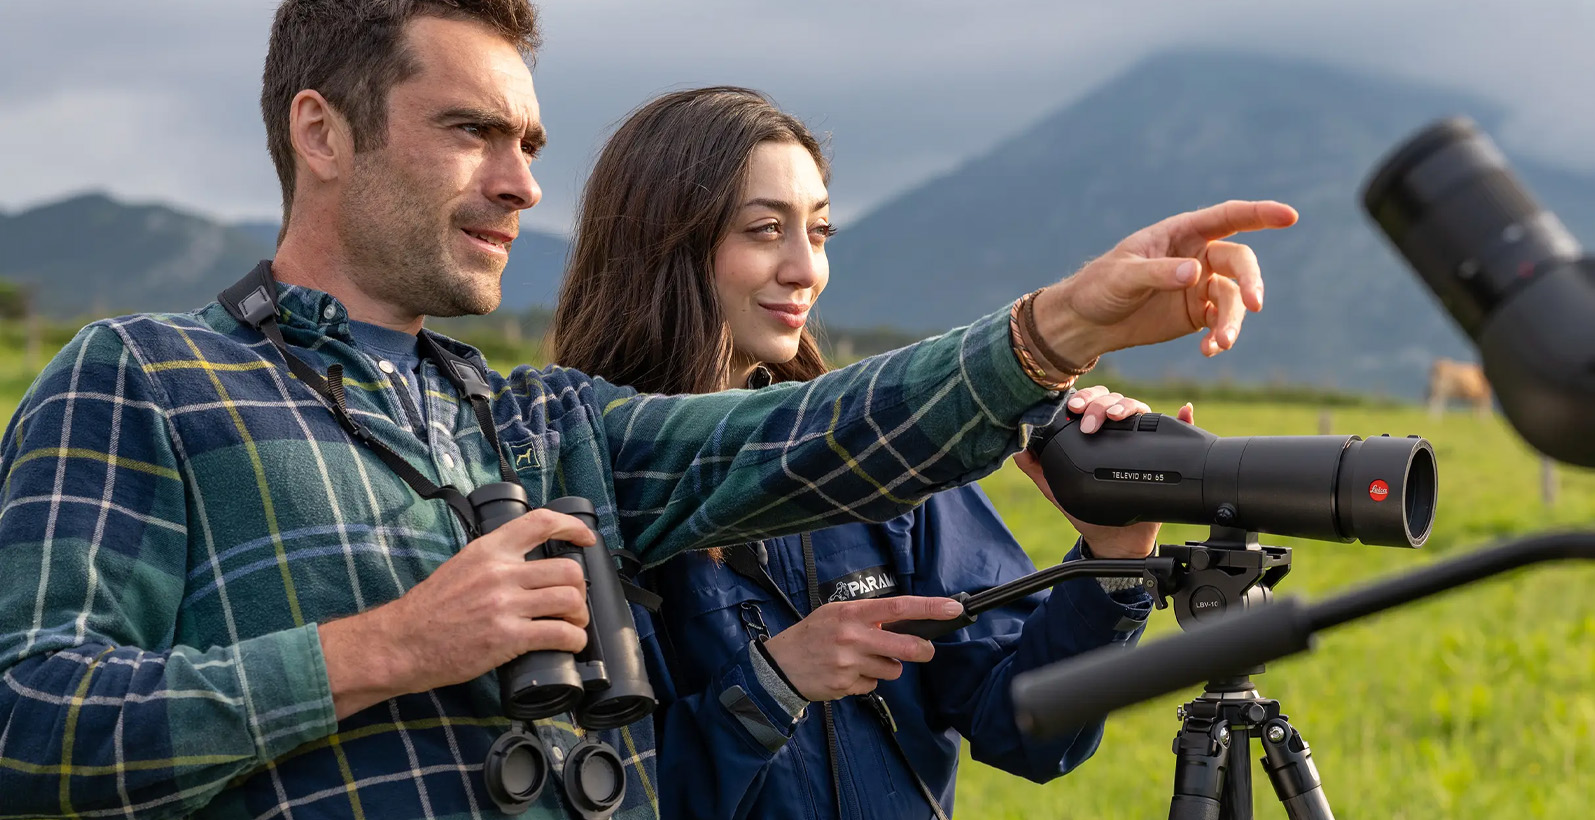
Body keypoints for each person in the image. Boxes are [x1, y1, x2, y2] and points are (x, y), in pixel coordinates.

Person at [0, 1, 1297, 818]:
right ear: (322, 131)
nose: (520, 186)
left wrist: (1054, 332)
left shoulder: (547, 426)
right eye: (473, 132)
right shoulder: (145, 377)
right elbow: (23, 727)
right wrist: (392, 647)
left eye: (533, 147)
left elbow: (816, 435)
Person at [552, 86, 1181, 819]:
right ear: (665, 245)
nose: (805, 269)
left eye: (819, 233)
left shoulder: (887, 461)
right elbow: (594, 793)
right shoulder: (579, 480)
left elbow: (1028, 730)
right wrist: (772, 684)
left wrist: (1107, 562)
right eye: (764, 230)